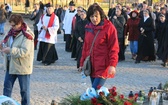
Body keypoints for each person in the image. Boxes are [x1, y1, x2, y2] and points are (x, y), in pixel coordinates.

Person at [79, 4, 119, 90]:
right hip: (92, 66)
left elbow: (114, 48)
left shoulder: (109, 28)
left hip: (103, 66)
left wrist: (112, 65)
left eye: (96, 16)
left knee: (94, 91)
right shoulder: (88, 27)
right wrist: (82, 63)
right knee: (96, 92)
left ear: (101, 15)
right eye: (92, 16)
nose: (94, 19)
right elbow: (86, 47)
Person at [0, 14, 34, 105]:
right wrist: (2, 45)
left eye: (14, 25)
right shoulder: (10, 32)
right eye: (11, 25)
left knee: (24, 91)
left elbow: (25, 51)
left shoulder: (27, 35)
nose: (12, 27)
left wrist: (10, 50)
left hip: (22, 67)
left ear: (19, 23)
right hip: (10, 65)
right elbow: (5, 42)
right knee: (6, 88)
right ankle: (5, 103)